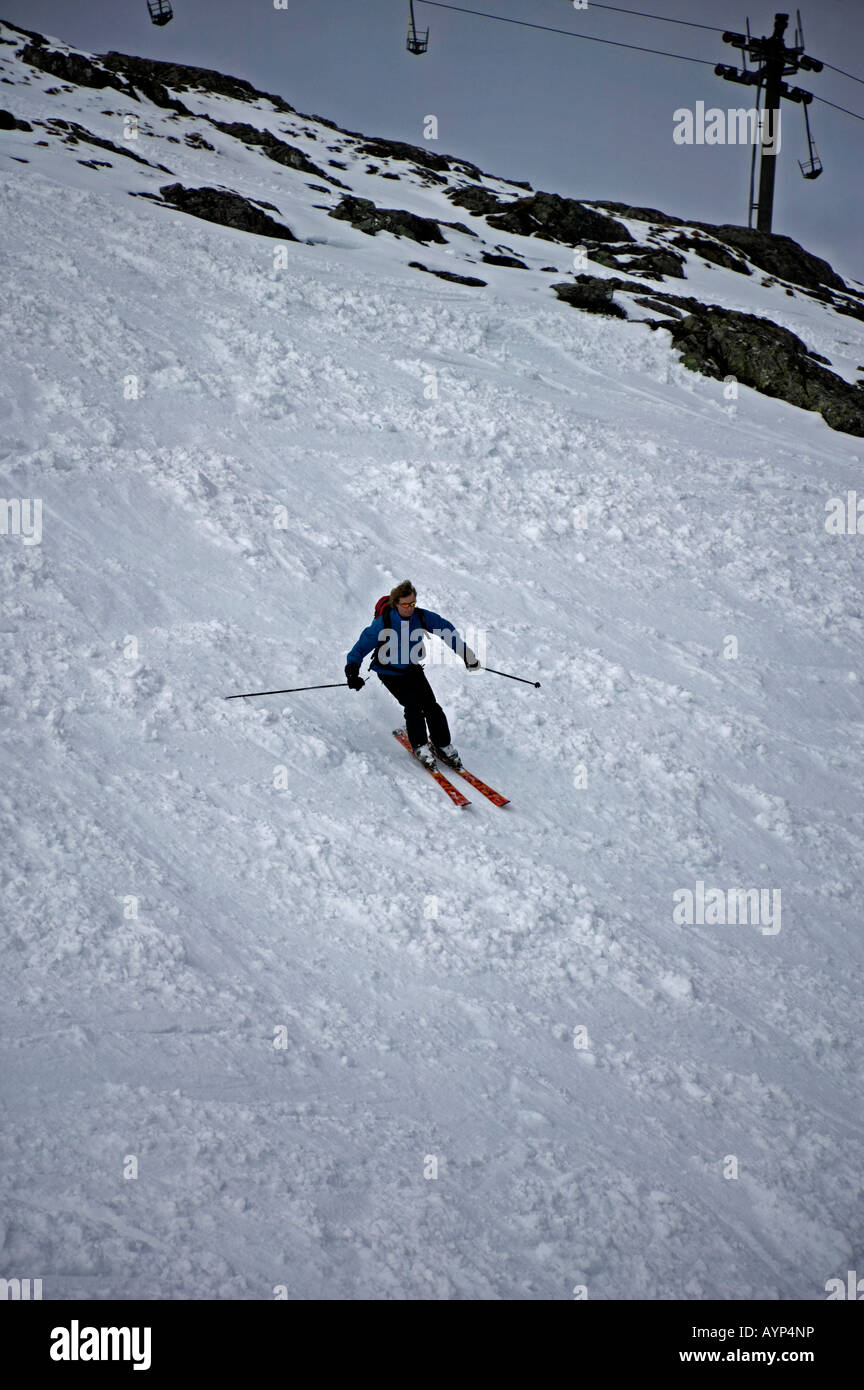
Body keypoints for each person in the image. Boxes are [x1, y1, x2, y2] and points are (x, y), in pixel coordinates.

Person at [345, 581, 480, 769]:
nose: (410, 608)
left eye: (413, 603)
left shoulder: (421, 617)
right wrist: (352, 671)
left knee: (432, 707)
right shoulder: (383, 623)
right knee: (413, 706)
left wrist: (467, 655)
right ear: (396, 604)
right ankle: (420, 746)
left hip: (411, 669)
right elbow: (361, 647)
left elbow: (447, 630)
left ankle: (442, 745)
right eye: (405, 605)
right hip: (389, 672)